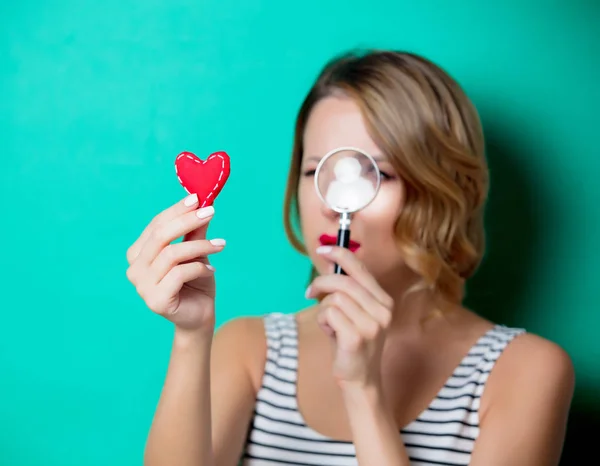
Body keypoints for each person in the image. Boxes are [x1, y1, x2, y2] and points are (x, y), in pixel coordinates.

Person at [126, 50, 575, 466]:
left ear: (442, 190)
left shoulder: (524, 372)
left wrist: (364, 391)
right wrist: (191, 335)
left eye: (374, 172)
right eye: (313, 170)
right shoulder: (249, 350)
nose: (332, 204)